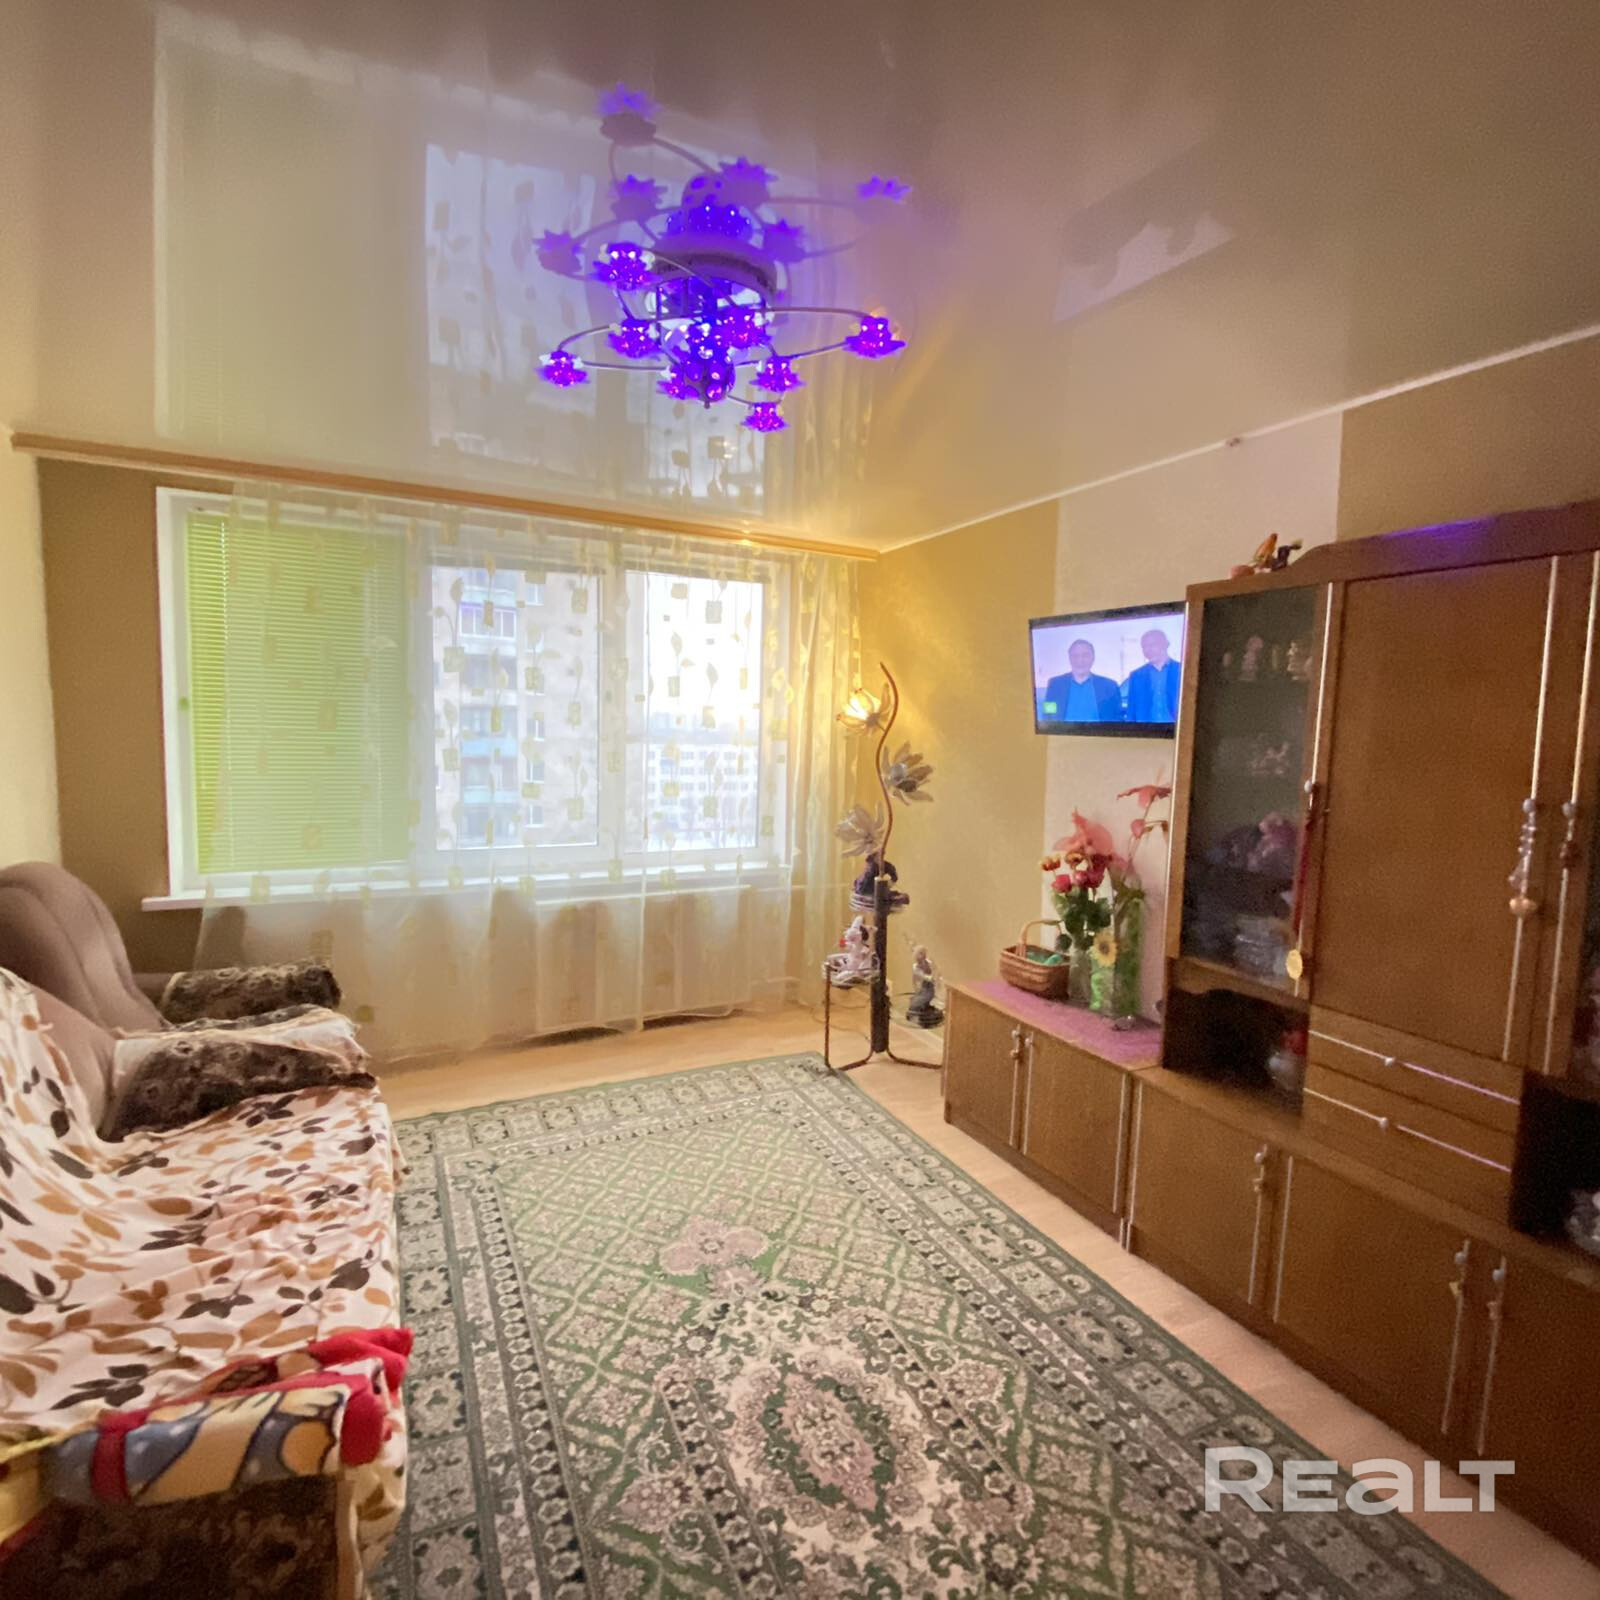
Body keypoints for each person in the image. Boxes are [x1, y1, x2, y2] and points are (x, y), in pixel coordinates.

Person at [1042, 639, 1122, 723]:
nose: (1080, 660)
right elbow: (1048, 716)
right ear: (1069, 658)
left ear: (1093, 658)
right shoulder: (1055, 685)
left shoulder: (1110, 687)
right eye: (1075, 656)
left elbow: (1118, 720)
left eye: (1085, 655)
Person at [1123, 628, 1181, 723]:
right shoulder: (1136, 676)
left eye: (1152, 645)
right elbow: (1131, 711)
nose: (1148, 650)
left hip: (1176, 729)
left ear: (1165, 645)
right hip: (1146, 730)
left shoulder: (1181, 670)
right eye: (1144, 647)